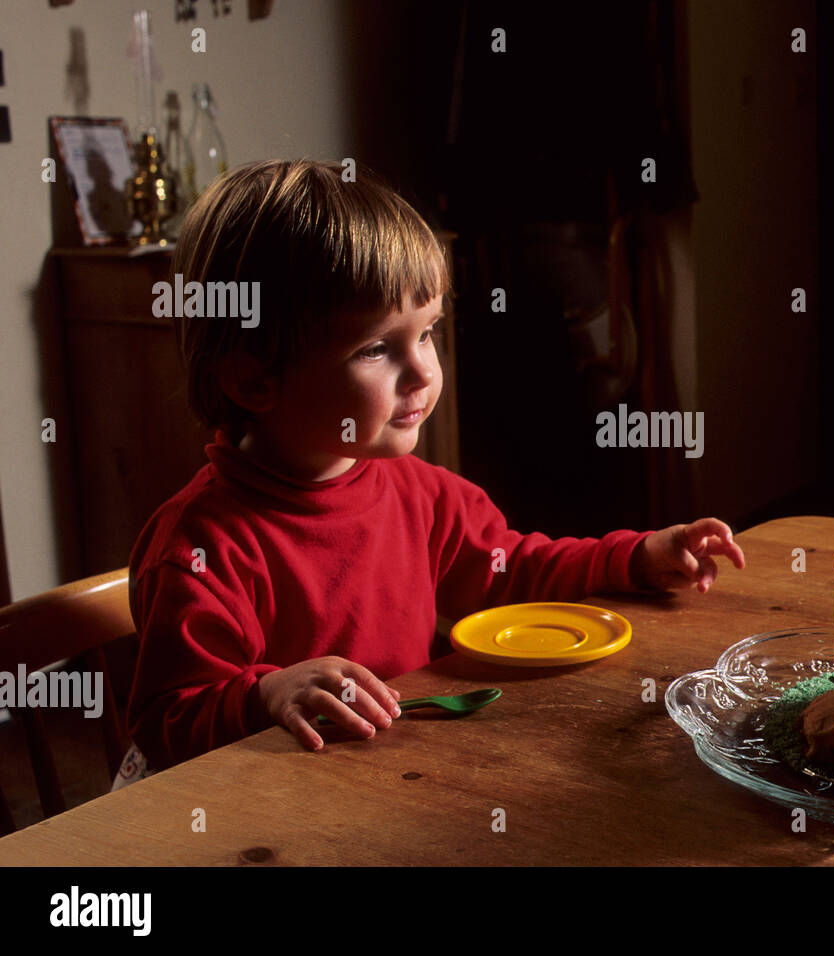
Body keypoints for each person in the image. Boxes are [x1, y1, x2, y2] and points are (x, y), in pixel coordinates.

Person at [118, 159, 743, 783]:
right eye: (376, 348)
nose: (423, 372)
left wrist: (633, 558)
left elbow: (515, 570)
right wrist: (266, 694)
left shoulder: (422, 494)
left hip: (379, 782)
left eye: (427, 333)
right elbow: (165, 721)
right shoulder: (199, 548)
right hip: (249, 809)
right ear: (254, 377)